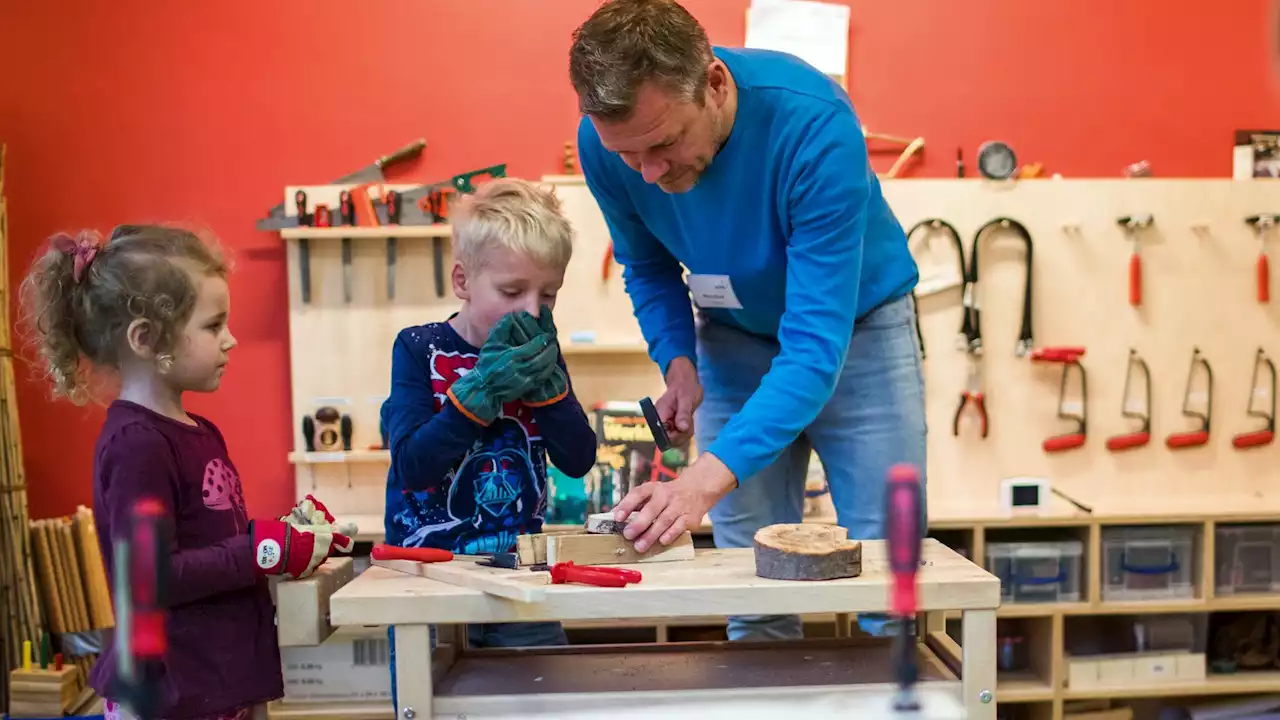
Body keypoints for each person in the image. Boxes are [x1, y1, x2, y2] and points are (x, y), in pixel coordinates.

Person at [569, 0, 926, 641]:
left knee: (887, 573)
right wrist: (678, 361)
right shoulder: (607, 143)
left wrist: (699, 484)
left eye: (664, 144)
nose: (647, 172)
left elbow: (815, 347)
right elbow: (646, 263)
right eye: (630, 155)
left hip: (860, 332)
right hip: (731, 337)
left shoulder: (814, 128)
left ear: (713, 83)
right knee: (753, 585)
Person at [19, 225, 353, 720]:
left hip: (218, 679)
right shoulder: (137, 445)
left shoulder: (196, 430)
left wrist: (286, 534)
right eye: (214, 325)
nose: (231, 340)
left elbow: (210, 540)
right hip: (172, 694)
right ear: (147, 339)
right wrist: (263, 549)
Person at [379, 178, 597, 698]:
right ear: (463, 279)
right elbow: (413, 467)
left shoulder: (541, 348)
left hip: (518, 581)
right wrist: (477, 394)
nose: (531, 311)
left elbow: (578, 458)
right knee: (430, 704)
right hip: (428, 582)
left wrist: (551, 391)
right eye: (511, 291)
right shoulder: (418, 349)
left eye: (548, 295)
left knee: (547, 706)